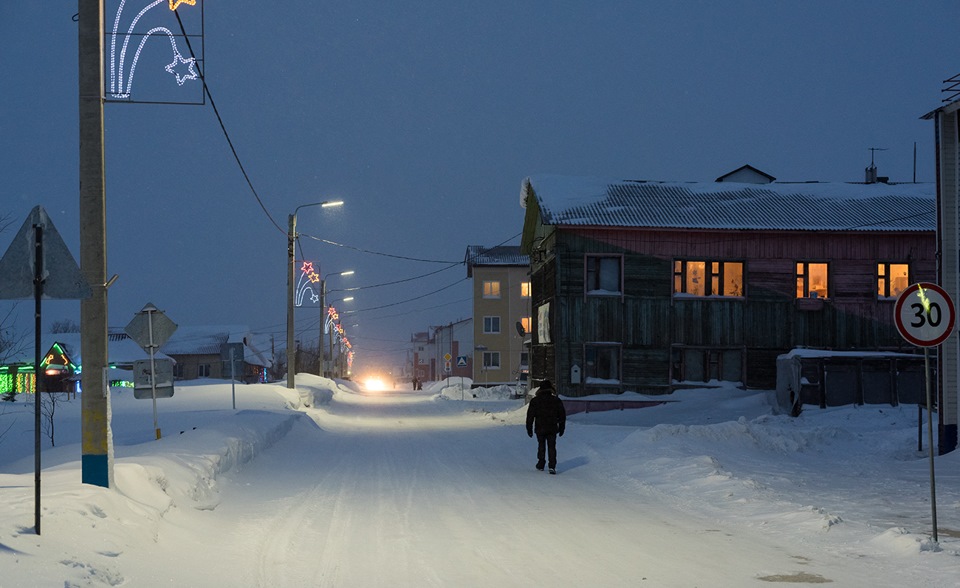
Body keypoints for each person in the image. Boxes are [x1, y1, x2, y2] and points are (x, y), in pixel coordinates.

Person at [525, 379, 566, 474]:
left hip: (540, 427)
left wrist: (529, 428)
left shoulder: (535, 401)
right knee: (552, 446)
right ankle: (552, 466)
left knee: (541, 445)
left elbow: (530, 415)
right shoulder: (556, 400)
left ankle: (541, 463)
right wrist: (562, 427)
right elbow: (562, 415)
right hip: (552, 427)